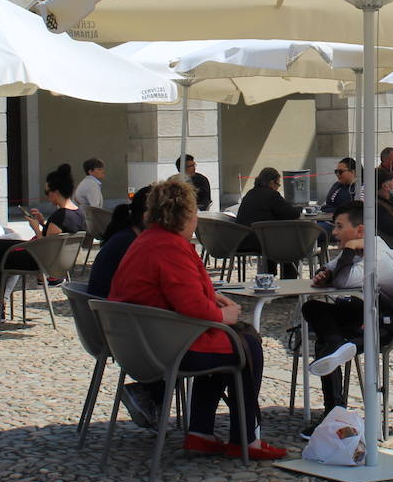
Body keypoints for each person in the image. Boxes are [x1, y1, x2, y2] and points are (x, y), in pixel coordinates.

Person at [110, 178, 285, 460]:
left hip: (139, 344)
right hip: (167, 348)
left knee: (233, 342)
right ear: (187, 216)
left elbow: (173, 293)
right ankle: (245, 438)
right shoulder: (170, 248)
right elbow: (192, 307)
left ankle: (202, 432)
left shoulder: (147, 241)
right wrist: (222, 314)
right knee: (246, 343)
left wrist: (210, 298)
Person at [299, 200, 393, 437]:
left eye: (339, 226)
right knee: (313, 309)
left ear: (360, 231)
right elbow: (331, 269)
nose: (334, 233)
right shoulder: (359, 248)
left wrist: (346, 254)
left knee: (325, 345)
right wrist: (323, 274)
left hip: (384, 327)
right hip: (363, 315)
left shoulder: (376, 256)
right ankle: (337, 347)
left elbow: (343, 280)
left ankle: (333, 414)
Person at [0, 164, 85, 317]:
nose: (46, 196)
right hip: (57, 262)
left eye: (47, 192)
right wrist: (43, 223)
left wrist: (36, 228)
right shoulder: (77, 214)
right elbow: (56, 238)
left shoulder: (60, 216)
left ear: (56, 192)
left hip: (39, 260)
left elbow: (45, 246)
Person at [234, 167, 302, 273]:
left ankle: (270, 273)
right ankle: (289, 280)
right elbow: (292, 214)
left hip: (241, 240)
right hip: (260, 241)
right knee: (290, 246)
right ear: (271, 183)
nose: (278, 188)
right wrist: (298, 208)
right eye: (278, 184)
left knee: (272, 236)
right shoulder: (272, 195)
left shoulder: (250, 193)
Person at [87, 185, 149, 298]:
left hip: (103, 308)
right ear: (147, 217)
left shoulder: (125, 237)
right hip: (111, 310)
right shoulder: (131, 244)